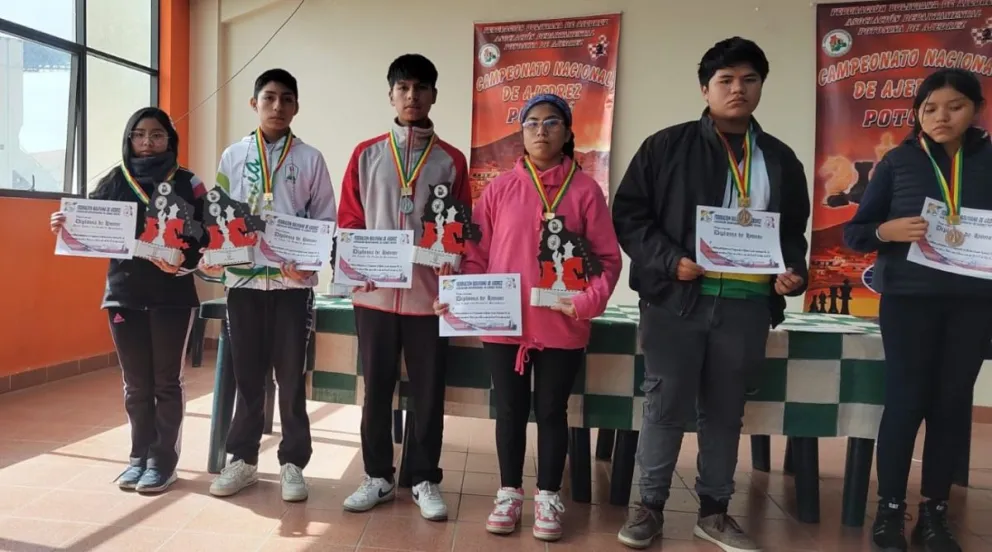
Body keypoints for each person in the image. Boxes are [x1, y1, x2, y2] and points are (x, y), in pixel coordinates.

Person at [612, 37, 810, 551]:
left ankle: (715, 511)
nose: (737, 89)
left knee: (724, 412)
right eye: (725, 80)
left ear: (761, 86)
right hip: (677, 300)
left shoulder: (782, 160)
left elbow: (792, 233)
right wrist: (667, 260)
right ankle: (649, 507)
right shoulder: (665, 147)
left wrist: (793, 271)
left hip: (745, 307)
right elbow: (630, 216)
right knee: (664, 405)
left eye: (748, 79)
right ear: (705, 88)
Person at [437, 93, 621, 541]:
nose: (541, 130)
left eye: (552, 122)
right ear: (520, 133)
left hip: (563, 324)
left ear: (568, 132)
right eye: (532, 123)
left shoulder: (586, 191)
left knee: (553, 412)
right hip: (505, 327)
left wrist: (585, 302)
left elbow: (607, 259)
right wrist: (461, 296)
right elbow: (476, 255)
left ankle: (548, 495)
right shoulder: (499, 189)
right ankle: (508, 492)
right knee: (511, 411)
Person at [844, 68, 992, 552]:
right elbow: (857, 233)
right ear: (917, 114)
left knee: (951, 404)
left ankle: (935, 512)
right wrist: (887, 232)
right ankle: (889, 509)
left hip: (971, 305)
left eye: (954, 106)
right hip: (908, 302)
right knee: (905, 401)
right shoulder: (898, 162)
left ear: (975, 110)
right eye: (930, 108)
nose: (941, 116)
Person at [336, 53, 470, 521]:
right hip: (374, 295)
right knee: (376, 389)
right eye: (403, 88)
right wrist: (357, 266)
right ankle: (377, 475)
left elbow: (461, 227)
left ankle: (424, 477)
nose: (412, 96)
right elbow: (350, 218)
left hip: (428, 299)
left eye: (421, 88)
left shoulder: (453, 160)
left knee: (429, 391)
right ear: (391, 94)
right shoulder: (366, 153)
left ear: (434, 94)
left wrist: (454, 267)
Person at [50, 107, 207, 493]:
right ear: (129, 139)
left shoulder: (189, 182)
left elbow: (209, 236)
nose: (147, 142)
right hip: (124, 295)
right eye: (139, 135)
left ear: (170, 138)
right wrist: (64, 224)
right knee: (136, 384)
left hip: (172, 296)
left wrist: (184, 260)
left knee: (166, 382)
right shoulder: (116, 180)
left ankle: (163, 462)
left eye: (156, 135)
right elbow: (87, 222)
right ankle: (139, 457)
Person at [202, 68, 337, 503]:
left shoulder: (310, 159)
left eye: (286, 99)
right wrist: (215, 250)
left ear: (296, 106)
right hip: (242, 284)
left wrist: (310, 265)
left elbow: (324, 222)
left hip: (291, 289)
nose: (277, 107)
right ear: (254, 103)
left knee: (291, 380)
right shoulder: (232, 156)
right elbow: (219, 215)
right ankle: (241, 459)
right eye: (269, 98)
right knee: (247, 378)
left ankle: (293, 464)